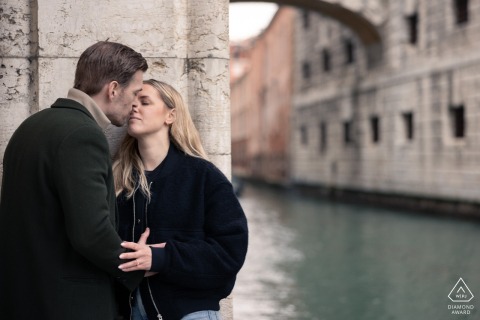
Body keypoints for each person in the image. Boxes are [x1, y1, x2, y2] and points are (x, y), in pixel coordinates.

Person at [0, 41, 149, 320]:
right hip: (68, 305)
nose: (134, 103)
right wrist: (141, 264)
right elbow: (91, 233)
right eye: (135, 92)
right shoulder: (83, 135)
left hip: (21, 299)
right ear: (114, 89)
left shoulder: (30, 127)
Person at [112, 79, 249, 320]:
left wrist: (160, 258)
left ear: (170, 115)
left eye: (144, 102)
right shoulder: (117, 179)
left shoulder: (202, 176)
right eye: (132, 102)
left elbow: (230, 253)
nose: (135, 107)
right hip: (130, 311)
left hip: (189, 312)